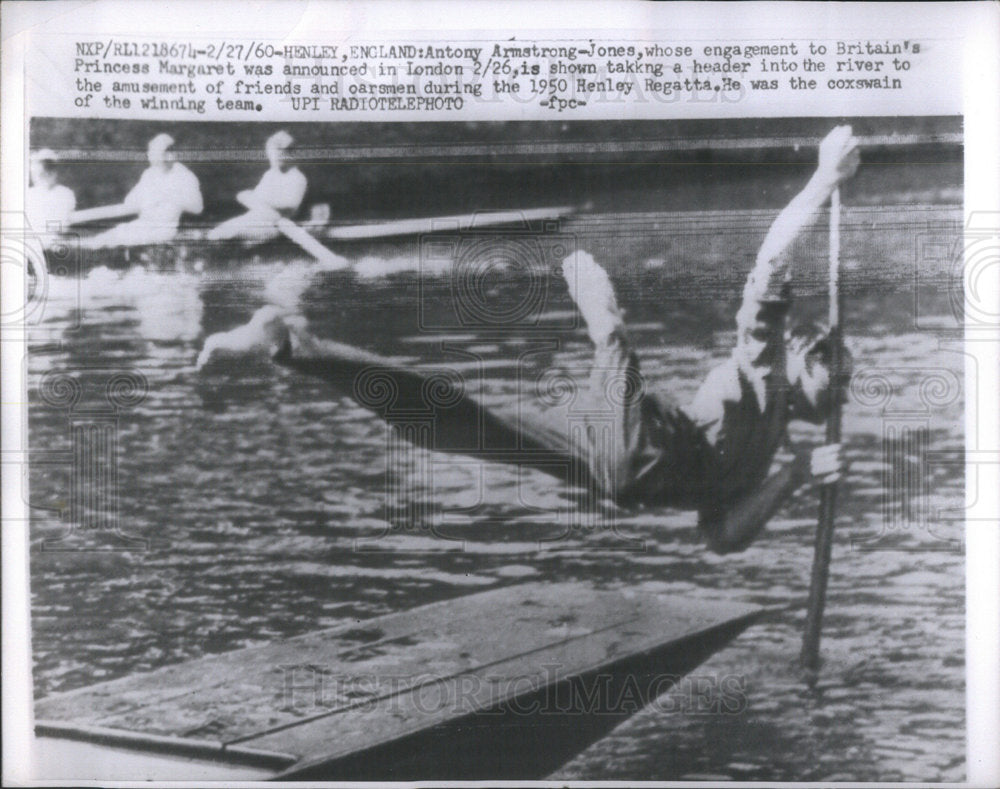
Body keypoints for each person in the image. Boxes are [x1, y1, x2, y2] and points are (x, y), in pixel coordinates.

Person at [198, 126, 859, 555]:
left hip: (609, 470)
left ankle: (294, 345)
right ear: (804, 357)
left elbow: (719, 535)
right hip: (633, 443)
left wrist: (796, 476)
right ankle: (605, 322)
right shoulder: (764, 367)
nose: (845, 392)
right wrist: (823, 178)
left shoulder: (777, 447)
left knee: (459, 424)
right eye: (841, 371)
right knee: (608, 347)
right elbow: (771, 260)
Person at [85, 133, 203, 248]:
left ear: (168, 154)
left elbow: (197, 207)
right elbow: (130, 202)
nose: (150, 155)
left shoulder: (184, 176)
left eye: (154, 152)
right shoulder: (150, 174)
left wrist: (169, 195)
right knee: (102, 240)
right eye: (151, 152)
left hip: (164, 230)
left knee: (120, 242)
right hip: (144, 224)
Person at [207, 130, 308, 244]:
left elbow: (290, 205)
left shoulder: (296, 177)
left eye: (282, 153)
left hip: (278, 223)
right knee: (217, 233)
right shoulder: (270, 175)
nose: (275, 158)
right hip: (257, 217)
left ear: (291, 155)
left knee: (233, 235)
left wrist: (259, 200)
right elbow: (256, 198)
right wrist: (248, 197)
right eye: (272, 154)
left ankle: (243, 245)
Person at [26, 148, 76, 246]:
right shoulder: (29, 194)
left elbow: (62, 226)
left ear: (54, 172)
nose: (39, 177)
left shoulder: (64, 194)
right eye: (36, 174)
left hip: (53, 244)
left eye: (49, 170)